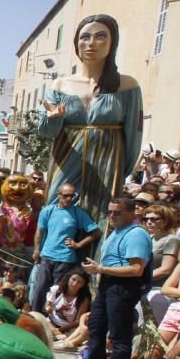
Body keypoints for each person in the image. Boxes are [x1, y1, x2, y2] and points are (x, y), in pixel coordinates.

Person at [39, 14, 143, 231]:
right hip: (66, 162)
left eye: (100, 36)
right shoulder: (60, 85)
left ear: (112, 42)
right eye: (84, 37)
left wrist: (120, 171)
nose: (91, 43)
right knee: (59, 214)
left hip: (106, 165)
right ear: (76, 43)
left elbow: (134, 134)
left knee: (102, 219)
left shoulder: (127, 85)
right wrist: (53, 119)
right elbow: (47, 133)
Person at [73, 197, 153, 359]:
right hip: (108, 282)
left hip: (123, 286)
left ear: (132, 213)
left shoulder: (136, 235)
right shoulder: (117, 232)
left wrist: (100, 268)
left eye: (117, 213)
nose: (111, 216)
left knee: (119, 334)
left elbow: (136, 269)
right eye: (110, 212)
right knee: (97, 324)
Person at [30, 183, 101, 312]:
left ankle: (53, 318)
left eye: (71, 196)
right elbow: (39, 232)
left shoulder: (77, 212)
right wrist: (36, 250)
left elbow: (96, 232)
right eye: (66, 196)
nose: (69, 199)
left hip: (65, 258)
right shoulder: (48, 210)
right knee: (40, 288)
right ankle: (35, 314)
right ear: (59, 195)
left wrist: (79, 244)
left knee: (58, 290)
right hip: (47, 255)